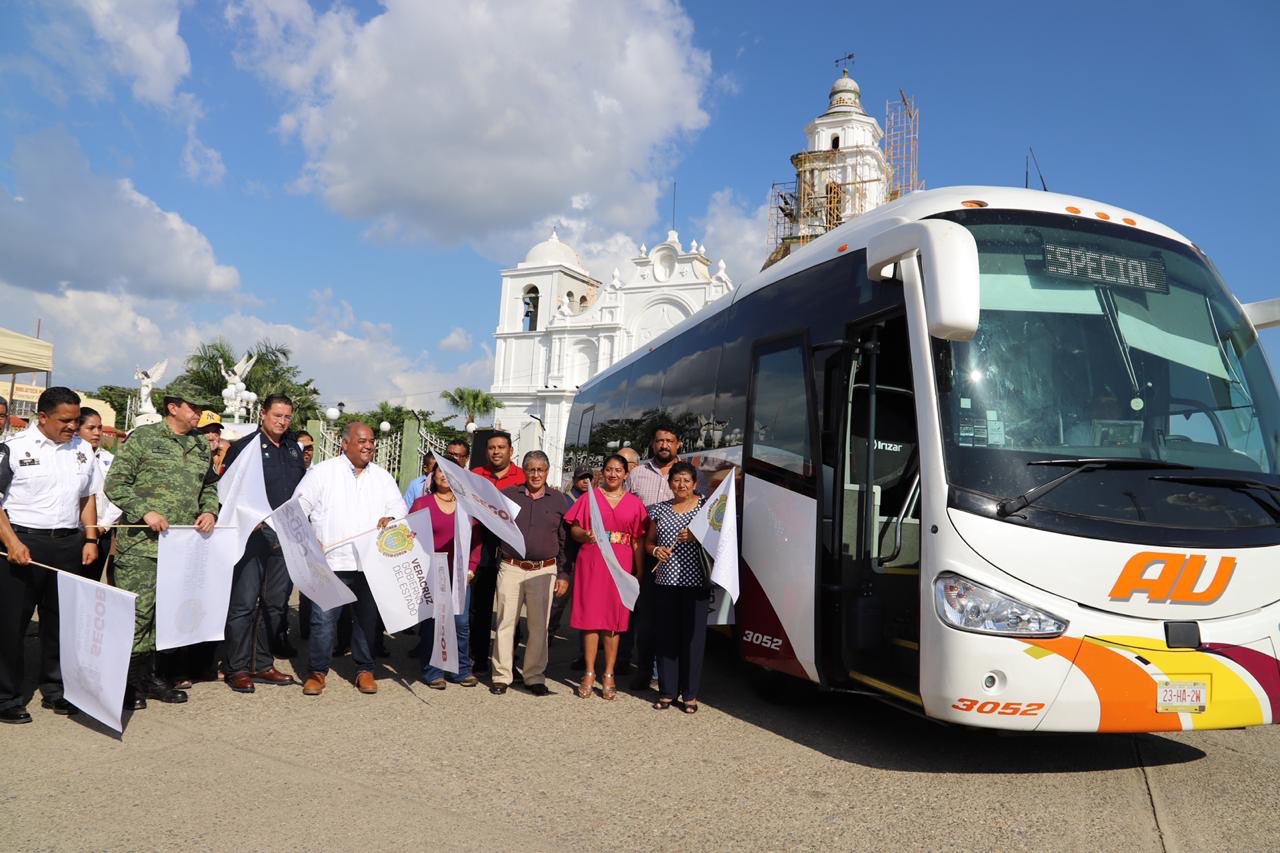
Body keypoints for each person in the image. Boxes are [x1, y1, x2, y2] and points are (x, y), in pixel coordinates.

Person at [104, 380, 220, 710]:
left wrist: (210, 510)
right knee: (136, 615)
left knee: (163, 616)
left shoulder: (200, 444)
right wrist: (145, 511)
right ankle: (126, 684)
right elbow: (115, 483)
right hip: (141, 546)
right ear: (173, 407)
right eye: (193, 407)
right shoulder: (145, 438)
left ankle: (151, 678)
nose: (198, 413)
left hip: (180, 549)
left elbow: (209, 486)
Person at [0, 387, 100, 723]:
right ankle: (7, 696)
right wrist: (12, 542)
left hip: (68, 544)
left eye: (76, 419)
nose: (73, 426)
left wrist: (90, 539)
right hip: (22, 544)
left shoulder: (83, 450)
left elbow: (87, 498)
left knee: (62, 623)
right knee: (11, 624)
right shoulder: (14, 448)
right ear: (42, 417)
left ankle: (56, 689)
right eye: (65, 420)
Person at [294, 422, 403, 697]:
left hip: (369, 563)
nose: (369, 446)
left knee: (367, 620)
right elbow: (298, 507)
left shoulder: (382, 477)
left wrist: (392, 519)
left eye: (371, 441)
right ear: (345, 443)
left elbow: (399, 509)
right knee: (323, 620)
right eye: (362, 441)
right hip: (329, 561)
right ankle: (317, 671)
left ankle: (364, 669)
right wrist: (309, 539)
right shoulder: (322, 473)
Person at [217, 394, 306, 693]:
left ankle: (263, 664)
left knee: (275, 604)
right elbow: (225, 494)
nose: (282, 422)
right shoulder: (243, 448)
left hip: (285, 538)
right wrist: (247, 520)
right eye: (276, 415)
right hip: (251, 536)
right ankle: (237, 667)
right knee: (243, 604)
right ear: (263, 414)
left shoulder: (294, 450)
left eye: (287, 417)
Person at [565, 454, 647, 700]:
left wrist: (639, 571)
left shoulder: (634, 503)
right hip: (592, 559)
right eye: (609, 469)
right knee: (591, 619)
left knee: (614, 620)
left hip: (620, 562)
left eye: (618, 470)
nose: (613, 474)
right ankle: (589, 671)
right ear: (603, 472)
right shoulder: (590, 498)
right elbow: (574, 528)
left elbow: (638, 540)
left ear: (626, 474)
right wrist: (584, 534)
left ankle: (608, 673)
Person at [622, 422, 697, 691]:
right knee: (647, 619)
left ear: (678, 444)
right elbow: (624, 506)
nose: (664, 445)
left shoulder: (685, 475)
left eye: (669, 440)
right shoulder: (638, 473)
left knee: (674, 621)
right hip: (645, 553)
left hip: (680, 561)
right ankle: (644, 670)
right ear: (652, 444)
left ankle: (666, 674)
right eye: (659, 440)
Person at [489, 451, 570, 696]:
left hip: (544, 569)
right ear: (524, 470)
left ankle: (534, 676)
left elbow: (565, 540)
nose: (536, 474)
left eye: (540, 470)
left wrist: (564, 573)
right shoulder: (507, 496)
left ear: (547, 472)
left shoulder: (559, 500)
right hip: (511, 566)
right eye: (531, 469)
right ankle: (502, 675)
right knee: (505, 623)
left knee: (539, 626)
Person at [644, 462, 708, 713]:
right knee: (667, 637)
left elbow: (719, 540)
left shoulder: (705, 509)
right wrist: (655, 550)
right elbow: (648, 543)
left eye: (686, 481)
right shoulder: (659, 510)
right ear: (670, 483)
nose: (681, 485)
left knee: (693, 639)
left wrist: (697, 536)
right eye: (676, 480)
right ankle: (667, 691)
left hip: (696, 583)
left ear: (694, 484)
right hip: (666, 582)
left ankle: (690, 694)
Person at [409, 466, 481, 689]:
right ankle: (433, 671)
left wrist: (471, 567)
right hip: (432, 572)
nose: (444, 476)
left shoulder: (467, 506)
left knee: (461, 623)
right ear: (433, 476)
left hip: (460, 574)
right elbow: (409, 536)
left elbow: (476, 540)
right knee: (434, 623)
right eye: (440, 471)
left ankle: (461, 670)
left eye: (449, 472)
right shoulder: (422, 504)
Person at [468, 431, 525, 675]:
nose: (496, 451)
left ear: (511, 451)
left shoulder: (523, 476)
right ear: (486, 451)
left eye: (501, 447)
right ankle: (479, 658)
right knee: (480, 610)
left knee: (510, 609)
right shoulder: (475, 476)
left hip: (511, 549)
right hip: (481, 548)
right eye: (492, 447)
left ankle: (508, 659)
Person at [74, 407, 122, 585]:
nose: (97, 433)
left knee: (90, 584)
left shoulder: (111, 460)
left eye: (100, 428)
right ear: (77, 429)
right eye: (91, 428)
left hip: (102, 532)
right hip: (73, 532)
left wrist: (103, 526)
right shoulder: (68, 456)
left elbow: (118, 495)